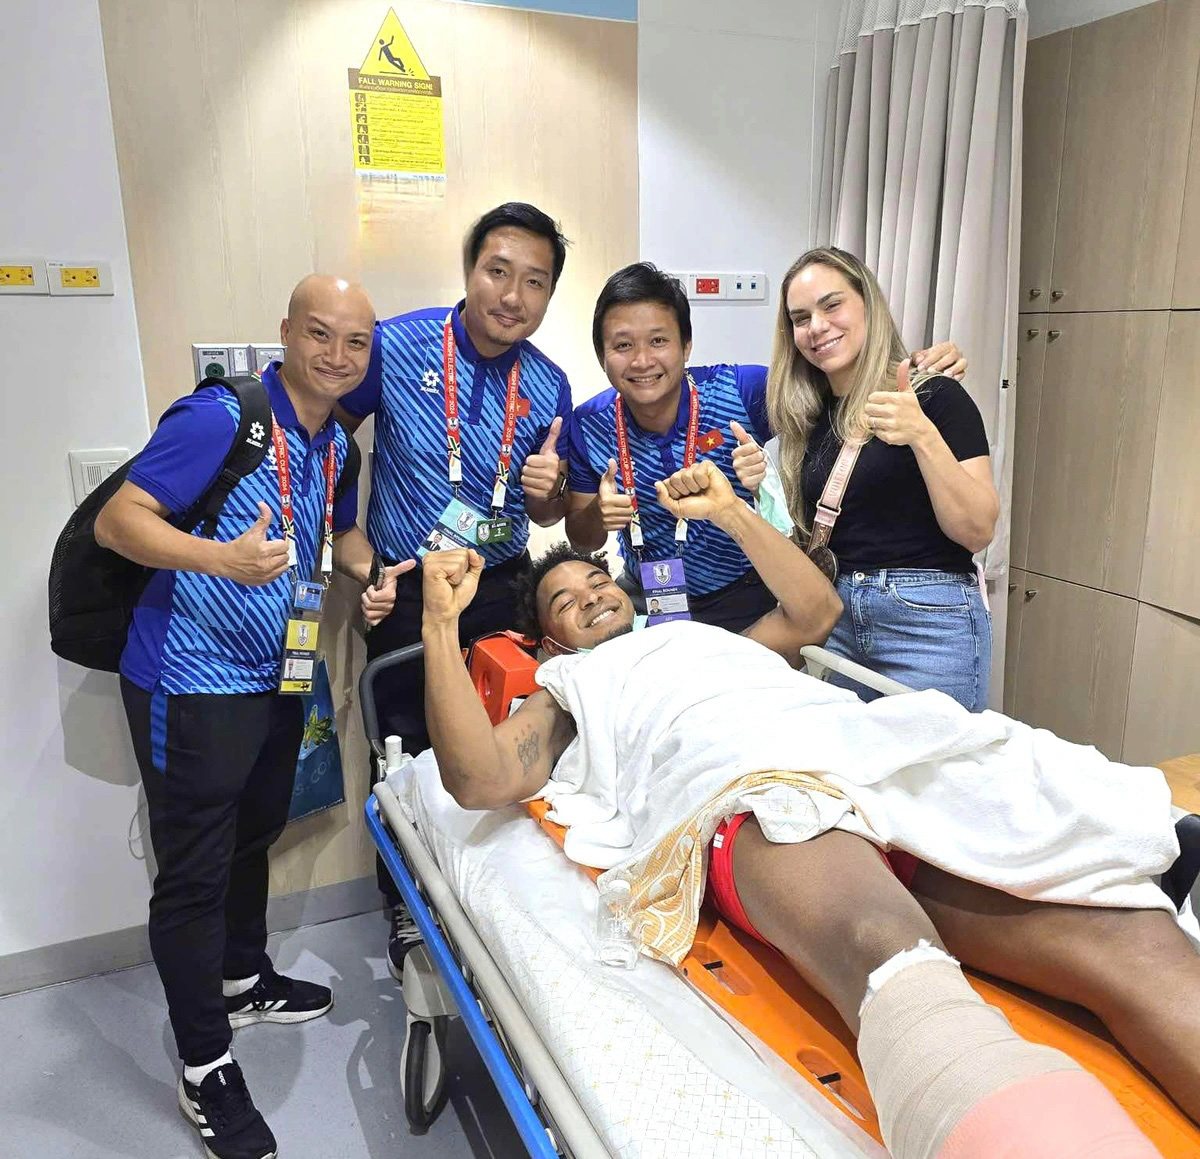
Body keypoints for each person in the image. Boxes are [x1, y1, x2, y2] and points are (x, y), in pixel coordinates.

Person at [420, 461, 1200, 1159]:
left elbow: (815, 608)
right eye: (566, 600)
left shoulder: (712, 639)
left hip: (864, 753)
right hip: (754, 789)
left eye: (599, 583)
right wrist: (439, 624)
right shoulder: (573, 687)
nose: (592, 595)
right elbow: (478, 775)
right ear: (548, 643)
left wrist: (732, 510)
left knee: (1127, 933)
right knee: (884, 942)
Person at [96, 275, 410, 1159]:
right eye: (321, 335)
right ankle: (206, 1067)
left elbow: (332, 536)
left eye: (356, 343)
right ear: (285, 332)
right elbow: (119, 523)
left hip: (280, 674)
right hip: (189, 679)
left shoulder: (334, 441)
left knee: (255, 827)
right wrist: (219, 559)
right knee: (193, 869)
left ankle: (240, 976)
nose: (339, 356)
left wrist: (369, 571)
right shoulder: (222, 418)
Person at [335, 202, 574, 976]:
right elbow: (326, 442)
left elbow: (542, 507)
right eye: (498, 271)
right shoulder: (397, 344)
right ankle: (407, 911)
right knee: (406, 752)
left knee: (498, 742)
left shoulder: (549, 382)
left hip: (502, 586)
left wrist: (550, 491)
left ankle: (487, 900)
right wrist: (361, 559)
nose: (512, 295)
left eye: (534, 282)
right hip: (410, 585)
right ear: (470, 269)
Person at [567, 262, 966, 632]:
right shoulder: (588, 424)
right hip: (650, 597)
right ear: (602, 354)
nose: (641, 361)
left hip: (748, 592)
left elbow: (840, 381)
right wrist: (599, 515)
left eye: (658, 341)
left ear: (686, 346)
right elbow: (582, 538)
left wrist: (919, 368)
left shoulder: (740, 390)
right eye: (622, 346)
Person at [746, 246, 999, 710]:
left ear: (868, 304)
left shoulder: (935, 396)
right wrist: (759, 486)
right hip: (838, 620)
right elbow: (810, 542)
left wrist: (922, 435)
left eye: (832, 305)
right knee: (843, 775)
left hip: (927, 625)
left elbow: (977, 530)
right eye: (800, 318)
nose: (817, 326)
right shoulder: (808, 421)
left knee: (930, 777)